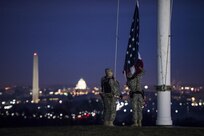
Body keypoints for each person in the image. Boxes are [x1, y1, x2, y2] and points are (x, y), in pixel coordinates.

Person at [126, 61, 144, 127]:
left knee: (135, 110)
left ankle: (135, 123)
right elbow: (143, 72)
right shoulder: (138, 77)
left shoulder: (130, 81)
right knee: (140, 110)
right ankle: (139, 122)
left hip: (134, 96)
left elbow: (128, 85)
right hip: (140, 95)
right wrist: (140, 68)